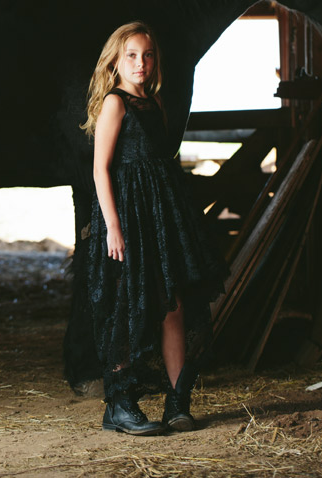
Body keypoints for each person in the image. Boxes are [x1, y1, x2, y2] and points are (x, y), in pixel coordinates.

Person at [80, 21, 227, 436]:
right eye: (131, 55)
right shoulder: (115, 103)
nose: (140, 63)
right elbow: (100, 169)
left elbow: (160, 166)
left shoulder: (156, 104)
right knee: (129, 305)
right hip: (127, 217)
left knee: (174, 306)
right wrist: (112, 226)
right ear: (116, 61)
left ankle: (178, 403)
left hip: (160, 217)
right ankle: (120, 406)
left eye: (147, 55)